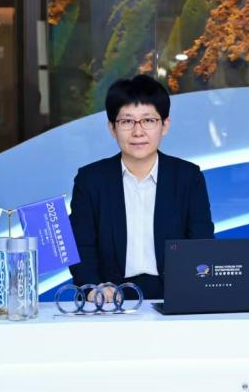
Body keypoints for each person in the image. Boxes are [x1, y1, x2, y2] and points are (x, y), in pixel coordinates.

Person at [68, 75, 214, 300]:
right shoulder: (91, 179)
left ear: (165, 125)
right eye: (127, 121)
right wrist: (93, 290)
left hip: (174, 298)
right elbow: (81, 246)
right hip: (109, 299)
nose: (138, 132)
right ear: (112, 128)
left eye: (148, 120)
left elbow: (201, 243)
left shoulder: (187, 177)